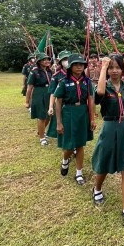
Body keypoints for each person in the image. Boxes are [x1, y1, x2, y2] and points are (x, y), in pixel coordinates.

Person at [90, 54, 124, 223]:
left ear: (122, 69)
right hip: (109, 127)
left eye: (117, 67)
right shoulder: (105, 86)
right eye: (111, 67)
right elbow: (99, 94)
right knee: (104, 163)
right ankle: (97, 189)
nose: (114, 71)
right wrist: (103, 67)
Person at [55, 54, 96, 185]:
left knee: (80, 144)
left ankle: (79, 173)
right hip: (68, 113)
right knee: (68, 146)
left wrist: (92, 118)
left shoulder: (87, 81)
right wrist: (59, 122)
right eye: (76, 64)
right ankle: (65, 160)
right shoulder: (64, 82)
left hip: (82, 112)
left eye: (82, 64)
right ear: (70, 67)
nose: (79, 67)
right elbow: (58, 102)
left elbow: (90, 99)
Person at [25, 52, 53, 146]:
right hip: (39, 93)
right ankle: (42, 138)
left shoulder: (49, 70)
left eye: (48, 59)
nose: (47, 61)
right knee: (41, 116)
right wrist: (27, 102)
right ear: (39, 61)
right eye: (44, 59)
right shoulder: (34, 71)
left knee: (49, 115)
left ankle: (41, 131)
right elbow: (29, 87)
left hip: (49, 93)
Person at [46, 50, 71, 140]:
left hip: (74, 103)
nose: (67, 61)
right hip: (61, 104)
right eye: (64, 59)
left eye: (68, 58)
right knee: (61, 124)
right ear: (60, 62)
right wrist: (51, 106)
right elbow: (53, 92)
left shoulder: (77, 73)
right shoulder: (57, 75)